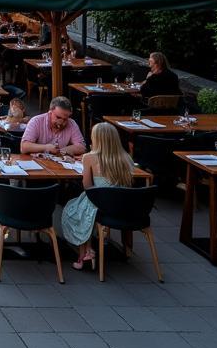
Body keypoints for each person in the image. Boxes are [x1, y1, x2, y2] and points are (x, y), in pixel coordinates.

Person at [61, 122, 135, 270]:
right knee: (84, 209)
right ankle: (91, 252)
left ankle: (85, 254)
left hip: (100, 203)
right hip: (123, 206)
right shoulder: (127, 158)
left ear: (96, 140)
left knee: (75, 209)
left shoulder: (89, 157)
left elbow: (87, 187)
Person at [21, 97, 86, 156]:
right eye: (58, 117)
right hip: (37, 163)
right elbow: (24, 147)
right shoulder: (36, 121)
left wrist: (62, 151)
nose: (61, 122)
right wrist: (46, 148)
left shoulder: (71, 123)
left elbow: (82, 147)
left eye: (65, 119)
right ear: (50, 112)